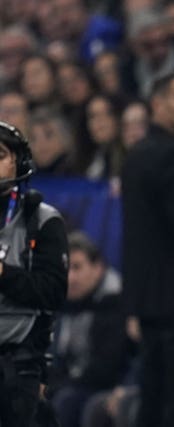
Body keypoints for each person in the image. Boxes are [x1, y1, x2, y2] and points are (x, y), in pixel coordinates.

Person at [121, 71, 174, 427]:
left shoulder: (137, 154)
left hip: (148, 302)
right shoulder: (172, 155)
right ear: (157, 104)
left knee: (152, 401)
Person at [0, 120, 69, 427]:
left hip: (20, 364)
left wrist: (3, 273)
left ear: (19, 163)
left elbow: (52, 292)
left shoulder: (41, 219)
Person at [48, 230, 130, 427]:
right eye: (66, 269)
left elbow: (105, 368)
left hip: (108, 386)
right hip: (71, 384)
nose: (71, 277)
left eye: (77, 267)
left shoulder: (115, 304)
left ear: (98, 268)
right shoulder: (61, 305)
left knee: (67, 401)